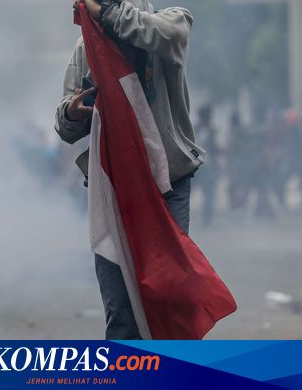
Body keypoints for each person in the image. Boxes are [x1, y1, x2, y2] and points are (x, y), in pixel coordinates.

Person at [55, 0, 202, 339]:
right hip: (114, 190)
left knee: (171, 295)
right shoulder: (86, 49)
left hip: (167, 184)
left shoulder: (170, 24)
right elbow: (64, 124)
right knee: (120, 311)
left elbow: (152, 30)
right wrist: (75, 112)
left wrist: (105, 11)